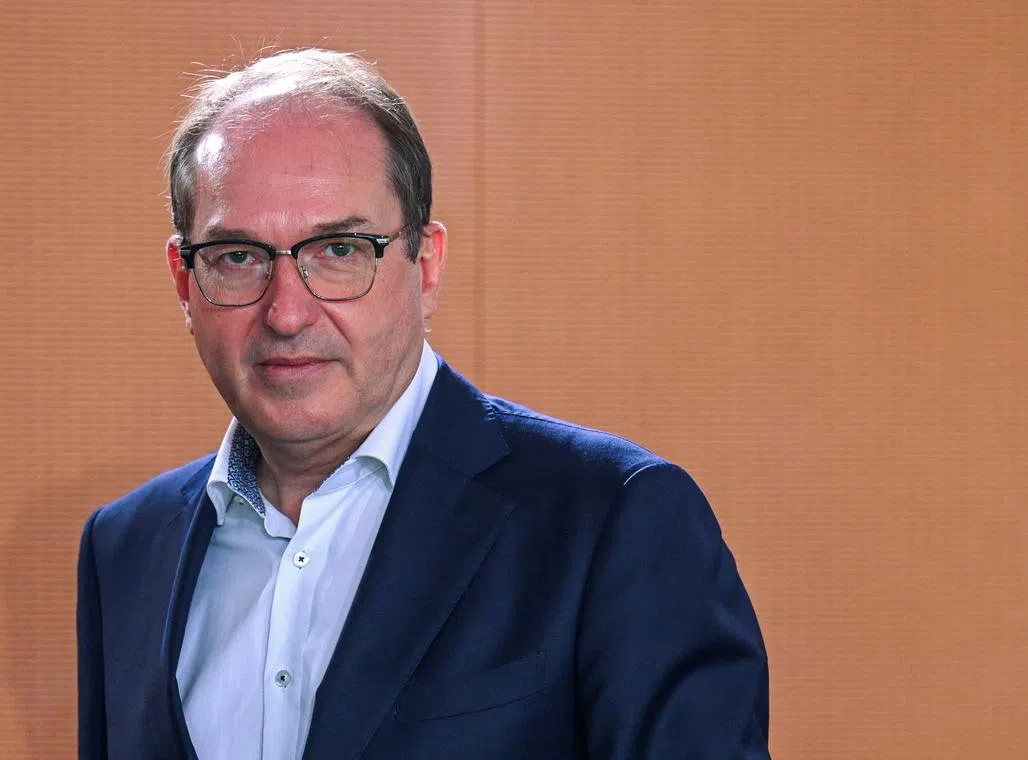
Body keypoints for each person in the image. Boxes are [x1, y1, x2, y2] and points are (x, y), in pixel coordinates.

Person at [76, 48, 770, 760]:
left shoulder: (614, 519)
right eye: (237, 256)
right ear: (183, 281)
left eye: (340, 250)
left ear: (426, 264)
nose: (286, 312)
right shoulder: (126, 549)